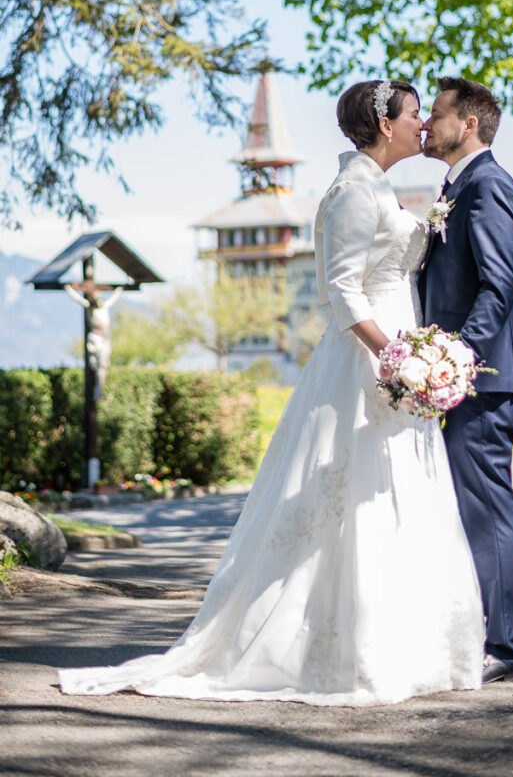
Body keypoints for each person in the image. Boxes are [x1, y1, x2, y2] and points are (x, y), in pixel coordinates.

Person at [58, 79, 484, 705]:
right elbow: (342, 292)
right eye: (415, 114)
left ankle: (407, 640)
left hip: (400, 362)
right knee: (350, 500)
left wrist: (416, 356)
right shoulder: (350, 193)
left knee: (393, 498)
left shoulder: (378, 186)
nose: (422, 124)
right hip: (371, 364)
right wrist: (396, 356)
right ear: (384, 124)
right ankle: (332, 646)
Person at [420, 76, 513, 684]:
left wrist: (459, 358)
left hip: (483, 378)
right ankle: (478, 634)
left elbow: (500, 284)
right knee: (468, 508)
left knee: (488, 509)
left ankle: (503, 647)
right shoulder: (459, 186)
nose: (426, 124)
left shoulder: (487, 186)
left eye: (436, 113)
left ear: (467, 123)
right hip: (467, 375)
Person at [64, 284, 124, 400]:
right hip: (96, 339)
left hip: (105, 339)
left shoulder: (104, 307)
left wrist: (118, 291)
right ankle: (97, 390)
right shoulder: (90, 307)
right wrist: (69, 290)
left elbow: (113, 299)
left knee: (103, 365)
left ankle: (99, 389)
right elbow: (78, 299)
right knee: (97, 365)